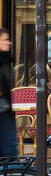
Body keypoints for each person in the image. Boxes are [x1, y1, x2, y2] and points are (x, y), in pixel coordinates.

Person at [0, 28, 17, 160]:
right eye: (5, 39)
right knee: (10, 151)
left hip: (6, 108)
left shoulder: (5, 60)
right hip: (3, 109)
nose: (9, 42)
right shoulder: (3, 61)